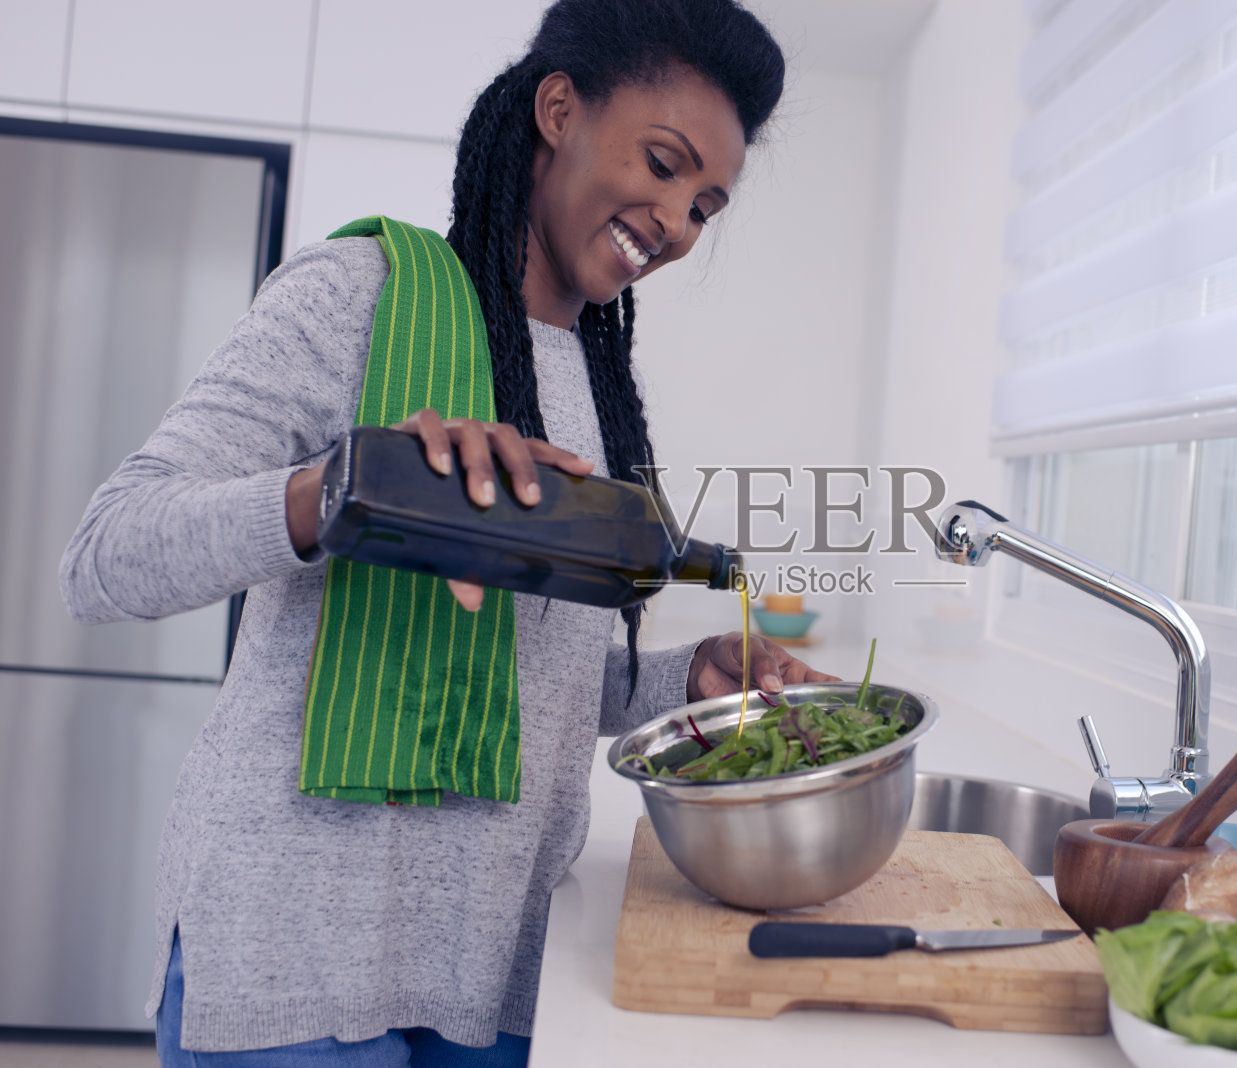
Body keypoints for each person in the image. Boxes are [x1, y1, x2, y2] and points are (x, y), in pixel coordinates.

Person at [58, 1, 834, 1063]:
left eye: (704, 204)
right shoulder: (358, 294)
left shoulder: (605, 394)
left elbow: (542, 685)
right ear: (559, 108)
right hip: (295, 955)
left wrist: (685, 679)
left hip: (495, 966)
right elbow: (106, 558)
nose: (676, 222)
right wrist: (346, 486)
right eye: (661, 164)